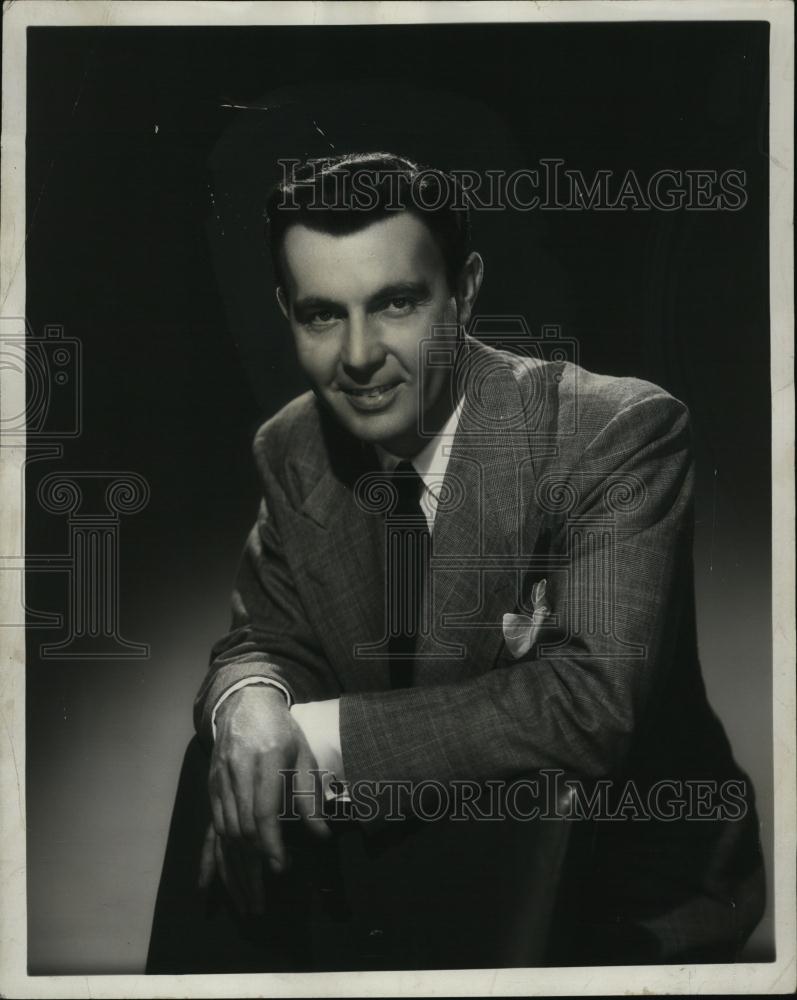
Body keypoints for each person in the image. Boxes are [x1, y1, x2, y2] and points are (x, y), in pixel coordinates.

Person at [148, 152, 765, 972]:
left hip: (610, 907)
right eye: (322, 315)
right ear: (284, 312)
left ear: (465, 290)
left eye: (396, 303)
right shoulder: (294, 444)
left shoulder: (610, 433)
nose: (359, 356)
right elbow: (266, 637)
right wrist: (250, 703)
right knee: (222, 769)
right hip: (402, 876)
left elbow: (591, 704)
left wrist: (315, 733)